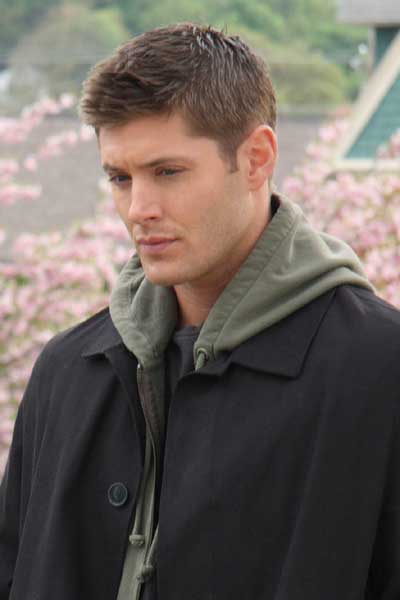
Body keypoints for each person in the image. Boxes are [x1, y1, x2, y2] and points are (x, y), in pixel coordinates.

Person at [1, 22, 400, 600]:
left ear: (257, 158)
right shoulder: (65, 371)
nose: (139, 209)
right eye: (120, 178)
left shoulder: (380, 371)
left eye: (168, 172)